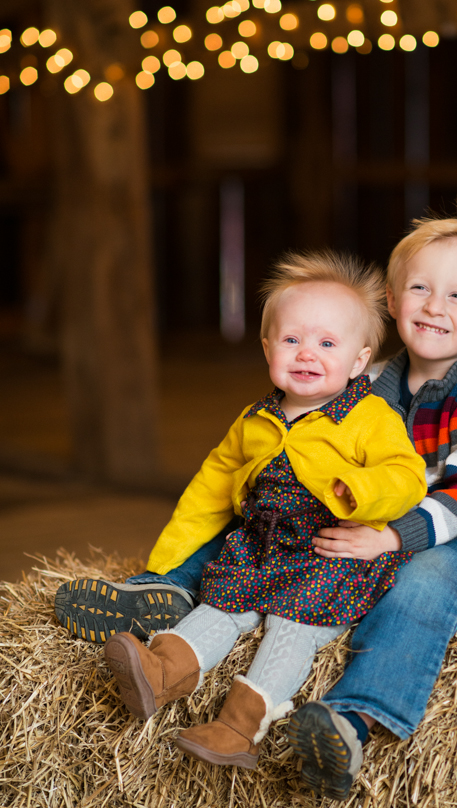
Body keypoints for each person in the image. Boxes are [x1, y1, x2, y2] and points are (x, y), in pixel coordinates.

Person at [92, 252, 428, 769]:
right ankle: (162, 672)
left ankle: (239, 726)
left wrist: (360, 490)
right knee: (221, 605)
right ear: (268, 347)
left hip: (329, 551)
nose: (306, 353)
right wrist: (165, 561)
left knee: (291, 626)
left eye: (327, 343)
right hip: (261, 544)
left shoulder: (370, 416)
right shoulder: (254, 418)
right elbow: (210, 487)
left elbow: (405, 475)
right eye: (291, 340)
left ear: (359, 361)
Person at [286, 210, 457, 798]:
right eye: (420, 288)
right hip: (396, 516)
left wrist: (390, 539)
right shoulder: (371, 381)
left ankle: (355, 718)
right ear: (394, 300)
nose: (434, 306)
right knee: (282, 525)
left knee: (421, 582)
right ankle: (175, 601)